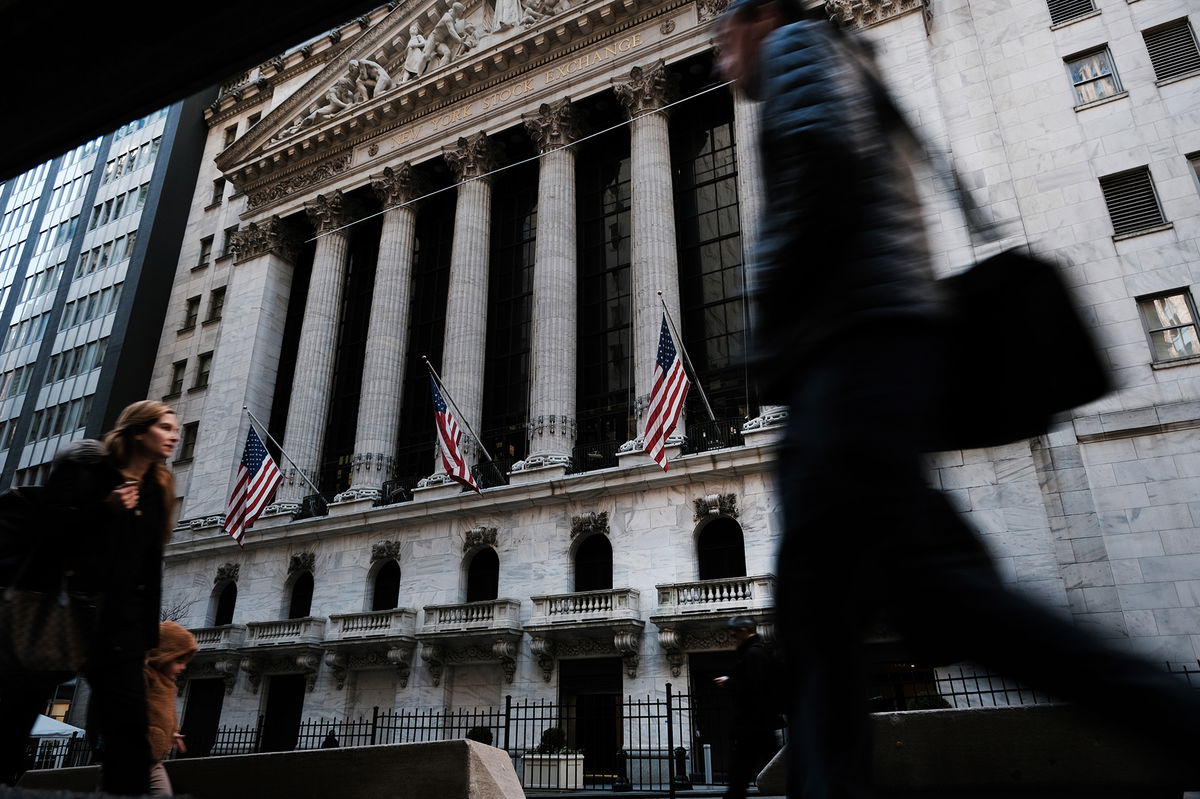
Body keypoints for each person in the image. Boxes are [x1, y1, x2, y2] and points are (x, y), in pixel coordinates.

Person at [714, 2, 1200, 797]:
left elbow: (824, 169)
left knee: (930, 603)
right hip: (857, 359)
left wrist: (772, 314)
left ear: (762, 16)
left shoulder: (801, 50)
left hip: (850, 360)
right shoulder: (834, 54)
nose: (721, 62)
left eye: (725, 37)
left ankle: (1180, 715)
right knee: (822, 621)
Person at [0, 400, 179, 793]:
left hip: (118, 628)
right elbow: (46, 535)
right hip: (61, 615)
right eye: (165, 427)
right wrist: (104, 510)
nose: (174, 434)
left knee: (128, 729)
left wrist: (146, 638)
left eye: (175, 427)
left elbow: (148, 570)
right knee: (16, 709)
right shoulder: (85, 471)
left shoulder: (158, 489)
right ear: (137, 432)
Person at [714, 617, 782, 799]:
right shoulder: (756, 651)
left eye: (735, 631)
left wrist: (730, 682)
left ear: (744, 630)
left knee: (742, 768)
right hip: (759, 722)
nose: (732, 635)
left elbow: (754, 686)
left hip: (753, 723)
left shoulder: (753, 654)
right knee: (767, 763)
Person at [145, 621, 198, 796]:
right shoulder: (145, 675)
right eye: (178, 661)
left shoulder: (168, 683)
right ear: (163, 656)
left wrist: (172, 732)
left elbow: (165, 714)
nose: (183, 667)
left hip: (154, 760)